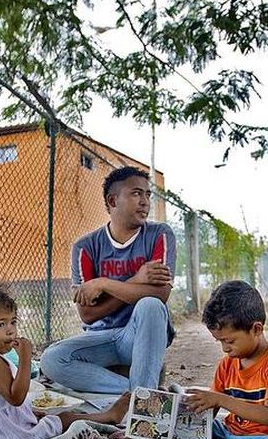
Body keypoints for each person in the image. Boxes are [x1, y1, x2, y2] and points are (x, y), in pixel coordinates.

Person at [40, 166, 177, 394]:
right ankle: (140, 395)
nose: (145, 201)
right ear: (113, 201)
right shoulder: (85, 247)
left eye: (147, 194)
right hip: (100, 338)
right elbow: (88, 314)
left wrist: (103, 284)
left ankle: (142, 403)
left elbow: (160, 294)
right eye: (136, 193)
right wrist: (137, 280)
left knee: (150, 305)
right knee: (52, 359)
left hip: (140, 334)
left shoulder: (159, 234)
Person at [0, 280, 128, 439]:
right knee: (63, 419)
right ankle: (109, 416)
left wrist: (28, 413)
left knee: (47, 416)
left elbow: (1, 403)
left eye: (13, 322)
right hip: (5, 435)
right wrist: (25, 359)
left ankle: (104, 415)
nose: (11, 330)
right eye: (0, 324)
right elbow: (15, 398)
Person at [184, 281, 268, 439]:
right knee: (184, 431)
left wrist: (220, 399)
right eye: (219, 341)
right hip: (229, 431)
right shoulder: (227, 364)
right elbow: (211, 409)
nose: (224, 348)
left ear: (256, 329)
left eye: (229, 341)